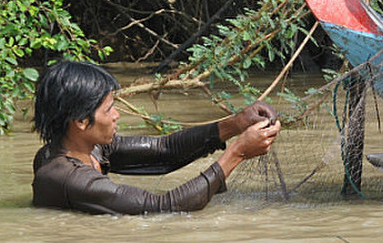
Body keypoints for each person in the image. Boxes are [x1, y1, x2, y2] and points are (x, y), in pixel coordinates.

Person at [32, 60, 281, 215]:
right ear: (81, 121)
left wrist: (235, 124)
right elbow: (163, 208)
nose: (117, 115)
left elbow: (165, 150)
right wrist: (236, 153)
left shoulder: (89, 148)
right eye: (109, 109)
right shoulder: (66, 176)